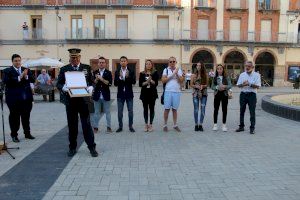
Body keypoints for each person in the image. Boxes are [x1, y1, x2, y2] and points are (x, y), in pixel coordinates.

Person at [57, 48, 98, 157]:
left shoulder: (87, 68)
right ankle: (72, 147)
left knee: (86, 125)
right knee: (72, 126)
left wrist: (91, 88)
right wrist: (63, 88)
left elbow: (93, 82)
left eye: (76, 57)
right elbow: (59, 84)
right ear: (69, 58)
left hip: (84, 101)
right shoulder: (64, 69)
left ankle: (92, 147)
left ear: (79, 57)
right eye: (72, 57)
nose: (74, 59)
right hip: (71, 102)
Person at [3, 54, 35, 143]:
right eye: (16, 61)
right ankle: (14, 135)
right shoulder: (7, 71)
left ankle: (27, 133)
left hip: (26, 98)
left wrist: (26, 76)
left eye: (19, 60)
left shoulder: (26, 70)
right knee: (14, 117)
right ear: (12, 62)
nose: (18, 62)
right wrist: (19, 77)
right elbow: (6, 81)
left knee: (26, 116)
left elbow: (33, 79)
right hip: (13, 99)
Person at [236, 61, 261, 134]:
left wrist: (249, 84)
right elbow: (238, 85)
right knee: (242, 111)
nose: (247, 67)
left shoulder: (257, 75)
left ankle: (252, 128)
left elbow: (258, 86)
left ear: (252, 67)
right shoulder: (242, 75)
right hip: (243, 94)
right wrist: (243, 84)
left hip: (252, 95)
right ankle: (241, 127)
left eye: (249, 66)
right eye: (246, 66)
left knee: (252, 112)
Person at [161, 56, 184, 132]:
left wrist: (176, 73)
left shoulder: (179, 70)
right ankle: (165, 125)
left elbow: (181, 81)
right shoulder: (166, 70)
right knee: (167, 109)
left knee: (174, 109)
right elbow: (163, 80)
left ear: (176, 62)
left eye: (174, 61)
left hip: (177, 92)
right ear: (168, 63)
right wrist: (172, 74)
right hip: (168, 91)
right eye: (170, 61)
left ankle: (175, 125)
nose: (172, 63)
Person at [114, 56, 136, 133]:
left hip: (129, 95)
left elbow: (134, 82)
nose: (123, 62)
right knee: (120, 112)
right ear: (120, 62)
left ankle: (130, 126)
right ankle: (120, 126)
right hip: (120, 95)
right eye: (121, 61)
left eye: (124, 61)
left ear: (127, 62)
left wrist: (128, 77)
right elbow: (115, 84)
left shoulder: (131, 70)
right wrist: (120, 77)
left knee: (130, 112)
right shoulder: (117, 71)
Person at [91, 57, 113, 134]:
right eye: (100, 62)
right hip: (97, 95)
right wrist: (96, 80)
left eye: (103, 62)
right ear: (98, 63)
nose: (101, 64)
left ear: (105, 64)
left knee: (108, 112)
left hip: (106, 95)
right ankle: (96, 127)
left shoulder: (108, 72)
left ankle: (109, 127)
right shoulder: (94, 72)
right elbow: (93, 83)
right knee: (96, 112)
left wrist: (101, 79)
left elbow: (109, 83)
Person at [139, 60, 159, 132]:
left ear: (151, 65)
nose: (148, 65)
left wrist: (151, 81)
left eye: (149, 64)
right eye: (146, 64)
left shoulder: (155, 73)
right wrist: (147, 82)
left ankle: (150, 124)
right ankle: (146, 124)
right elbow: (140, 84)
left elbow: (156, 83)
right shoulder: (142, 73)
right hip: (144, 93)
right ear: (145, 65)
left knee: (152, 109)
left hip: (152, 94)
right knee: (145, 109)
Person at [211, 64, 232, 132]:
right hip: (217, 94)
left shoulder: (226, 77)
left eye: (221, 69)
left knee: (224, 109)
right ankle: (215, 124)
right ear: (216, 70)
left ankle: (224, 125)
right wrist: (217, 87)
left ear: (223, 69)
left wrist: (224, 87)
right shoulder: (215, 77)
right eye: (218, 69)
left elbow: (230, 85)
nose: (219, 70)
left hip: (224, 94)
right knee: (216, 109)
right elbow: (212, 87)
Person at [190, 62, 208, 132]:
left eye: (200, 65)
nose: (198, 67)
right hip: (195, 93)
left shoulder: (205, 75)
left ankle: (200, 124)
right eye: (197, 65)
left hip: (204, 93)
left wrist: (203, 86)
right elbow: (191, 84)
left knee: (203, 109)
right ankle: (196, 124)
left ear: (202, 66)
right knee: (196, 109)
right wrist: (196, 86)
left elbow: (207, 85)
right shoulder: (193, 75)